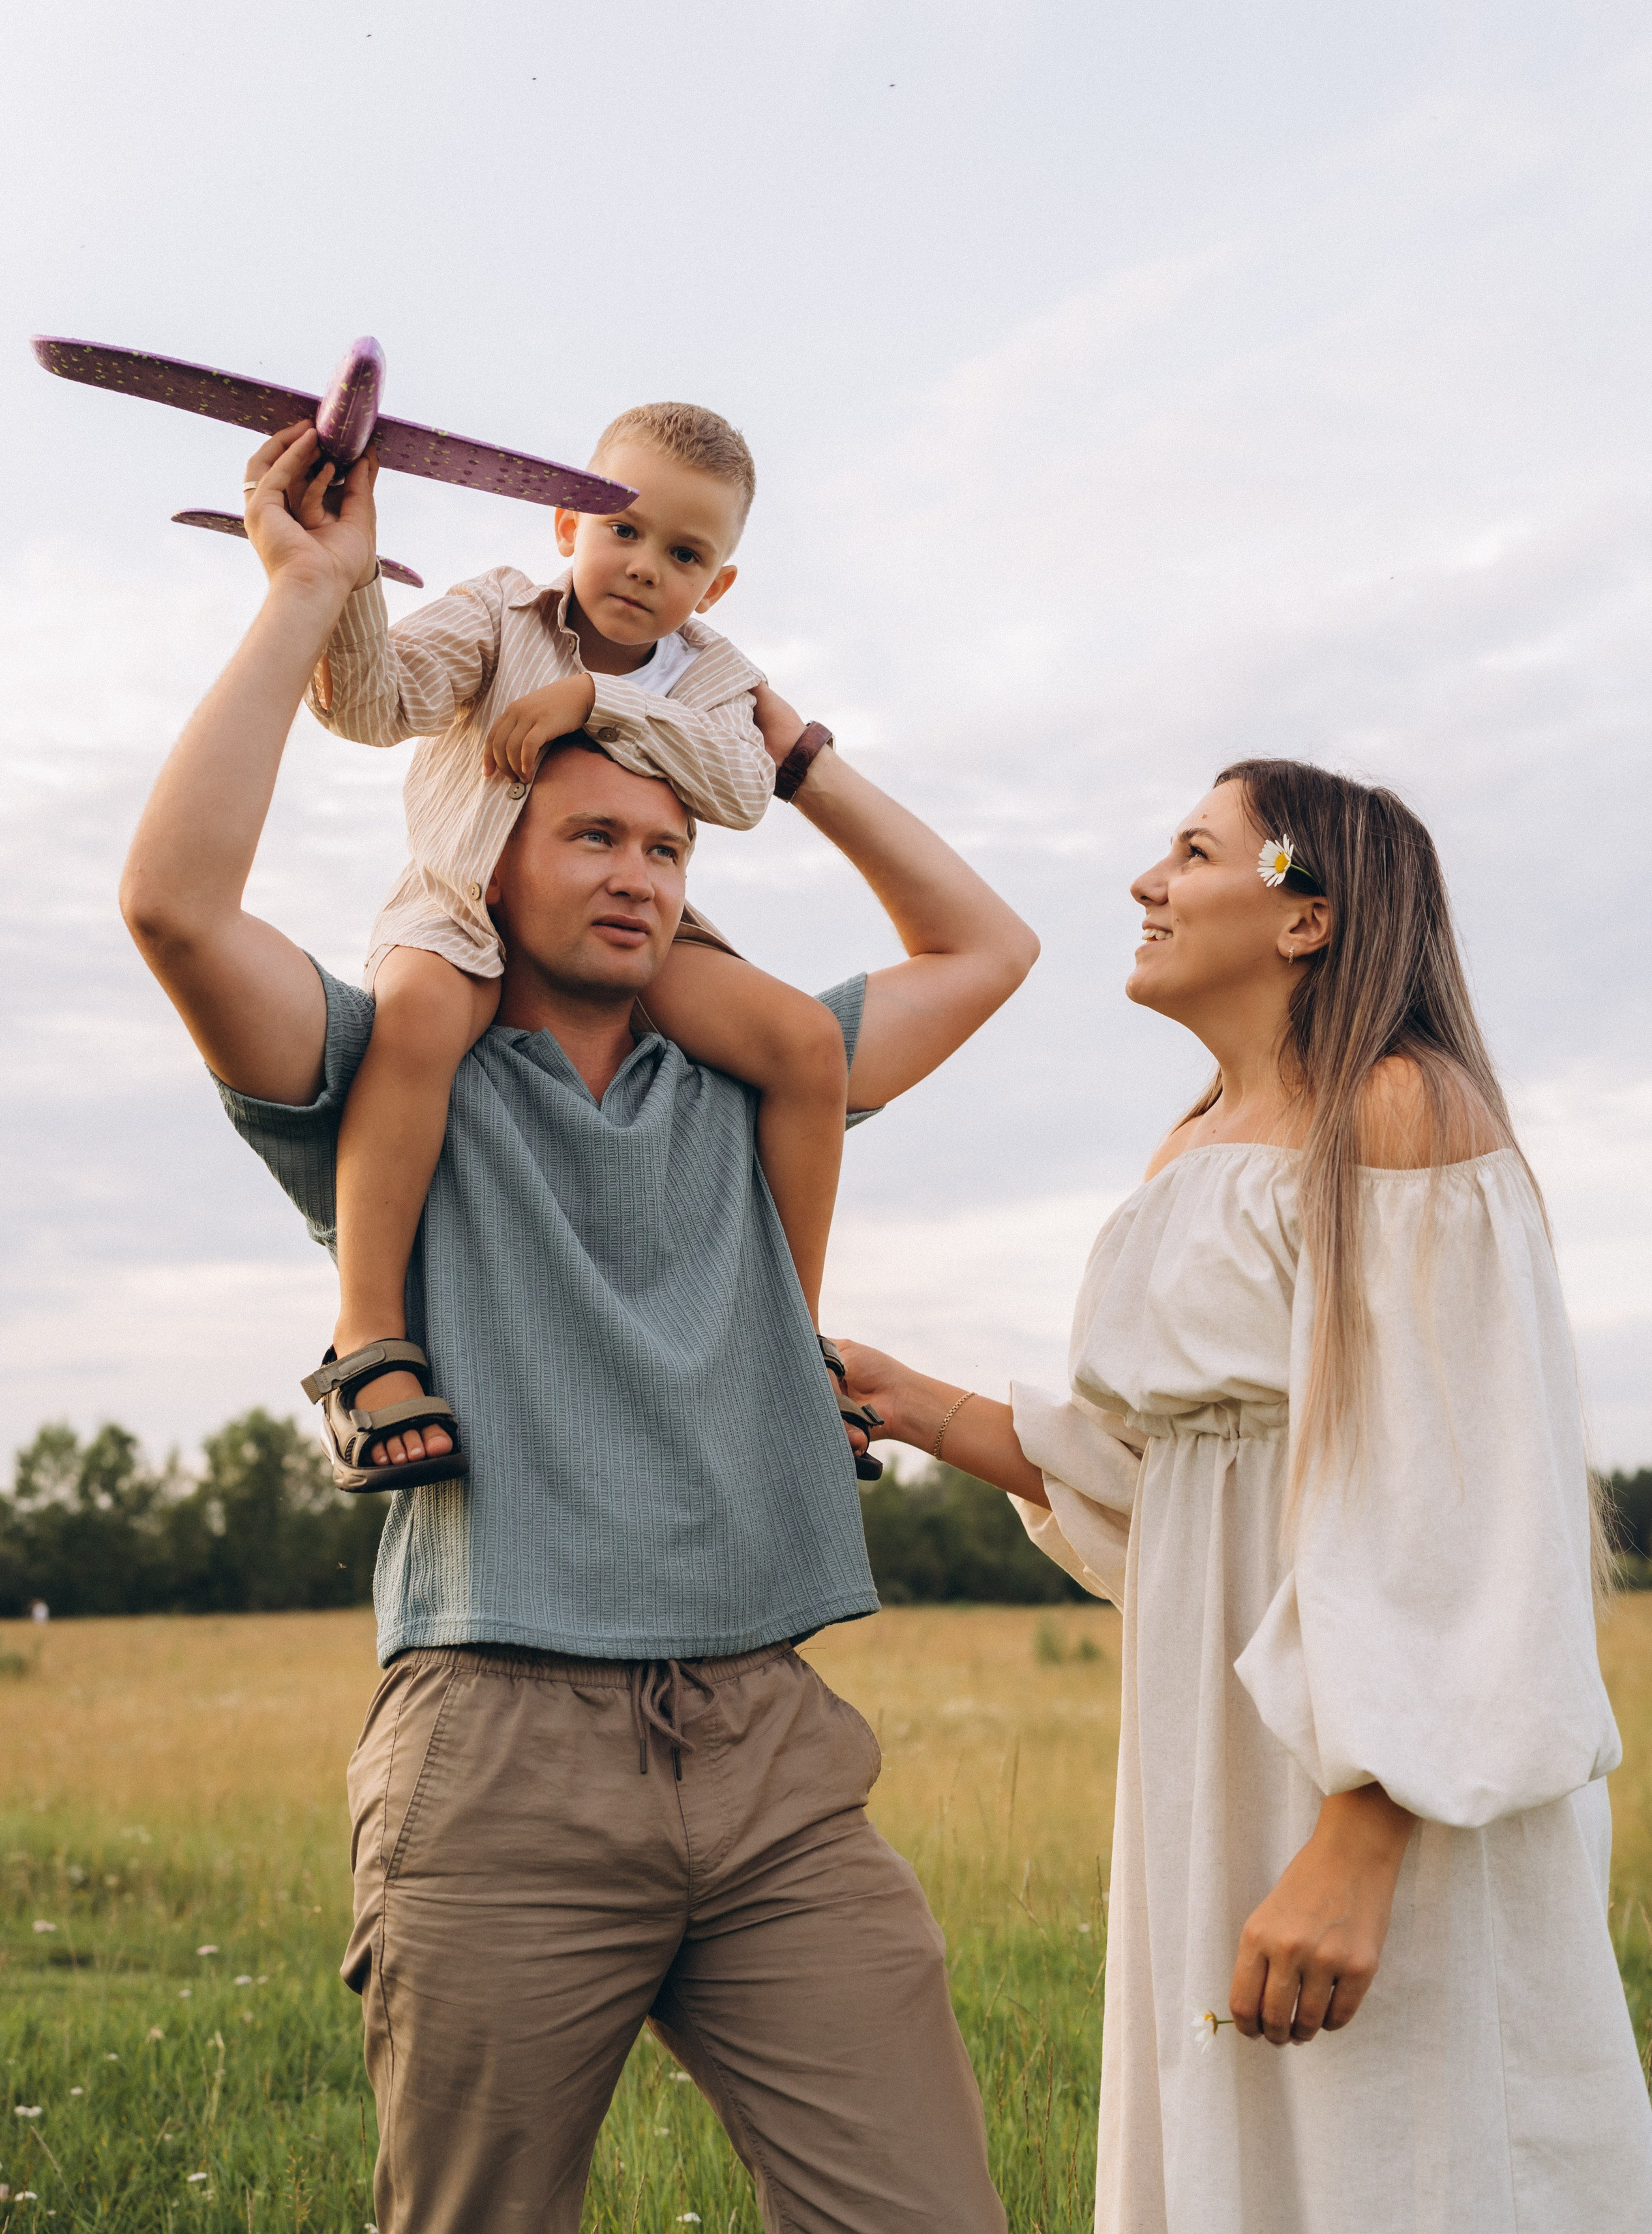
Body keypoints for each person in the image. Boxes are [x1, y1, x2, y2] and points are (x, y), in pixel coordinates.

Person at [119, 422, 1034, 2234]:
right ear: (495, 854)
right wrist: (309, 599)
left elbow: (985, 950)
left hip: (773, 1748)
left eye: (667, 851)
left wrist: (801, 756)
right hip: (500, 1753)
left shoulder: (755, 1080)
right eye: (594, 838)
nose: (637, 873)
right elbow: (171, 906)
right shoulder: (396, 1070)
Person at [835, 760, 1652, 2233]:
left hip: (1383, 1775)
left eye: (1191, 850)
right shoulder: (1190, 1142)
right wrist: (904, 1399)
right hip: (1211, 1744)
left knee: (1410, 2150)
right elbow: (1166, 1483)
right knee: (1252, 2153)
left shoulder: (1401, 1112)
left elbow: (1470, 1507)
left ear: (1305, 918)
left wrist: (1360, 1837)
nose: (1146, 884)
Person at [292, 399, 850, 1484]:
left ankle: (790, 1334)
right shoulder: (501, 613)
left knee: (806, 1046)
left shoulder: (711, 672)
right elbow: (367, 705)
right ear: (566, 525)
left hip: (630, 935)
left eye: (684, 553)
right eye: (623, 530)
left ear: (716, 583)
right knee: (415, 1022)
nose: (644, 567)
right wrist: (350, 580)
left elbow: (740, 788)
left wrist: (591, 700)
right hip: (460, 903)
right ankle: (368, 1333)